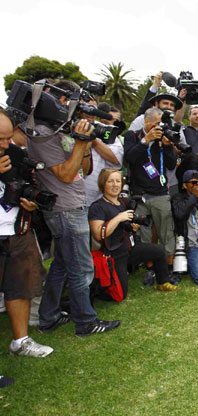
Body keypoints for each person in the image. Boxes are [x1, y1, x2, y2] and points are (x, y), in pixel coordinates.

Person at [25, 81, 120, 337]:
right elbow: (66, 174)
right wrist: (79, 141)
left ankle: (48, 316)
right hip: (64, 208)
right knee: (82, 268)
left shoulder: (59, 131)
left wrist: (86, 143)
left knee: (62, 265)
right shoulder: (42, 133)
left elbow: (84, 169)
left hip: (73, 204)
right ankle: (86, 322)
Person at [0, 108, 53, 356]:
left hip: (16, 227)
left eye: (8, 137)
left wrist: (29, 202)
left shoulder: (14, 153)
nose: (6, 143)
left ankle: (21, 341)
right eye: (0, 138)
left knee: (20, 286)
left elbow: (25, 185)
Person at [88, 168, 179, 296]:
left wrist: (133, 226)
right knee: (120, 294)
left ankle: (162, 282)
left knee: (159, 250)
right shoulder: (97, 207)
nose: (115, 185)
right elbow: (98, 235)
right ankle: (91, 291)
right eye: (110, 181)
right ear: (103, 183)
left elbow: (125, 226)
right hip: (114, 254)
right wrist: (119, 217)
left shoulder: (123, 202)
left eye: (118, 181)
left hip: (130, 248)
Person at [124, 107, 177, 274]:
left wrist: (168, 147)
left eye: (160, 124)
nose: (158, 128)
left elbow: (171, 164)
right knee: (144, 235)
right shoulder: (132, 136)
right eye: (156, 124)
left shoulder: (163, 138)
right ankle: (149, 269)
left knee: (166, 233)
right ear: (146, 122)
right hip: (140, 194)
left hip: (160, 193)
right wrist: (145, 141)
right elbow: (129, 158)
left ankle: (169, 268)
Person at [82, 98, 124, 206]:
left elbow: (116, 160)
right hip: (69, 197)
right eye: (87, 108)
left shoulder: (106, 130)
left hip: (97, 198)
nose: (91, 112)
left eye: (94, 109)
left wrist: (93, 138)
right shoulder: (63, 126)